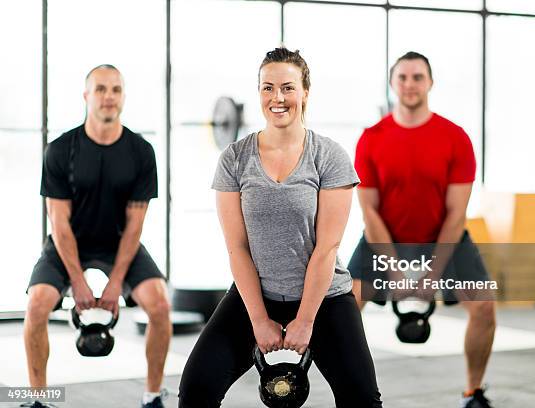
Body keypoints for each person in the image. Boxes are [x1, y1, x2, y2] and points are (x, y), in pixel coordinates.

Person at [178, 47, 383, 408]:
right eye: (267, 87)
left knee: (363, 399)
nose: (278, 98)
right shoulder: (235, 158)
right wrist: (259, 319)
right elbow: (236, 247)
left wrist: (305, 322)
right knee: (195, 391)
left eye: (288, 87)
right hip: (255, 295)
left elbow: (327, 248)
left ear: (305, 92)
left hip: (325, 299)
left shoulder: (328, 156)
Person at [349, 51, 497, 408]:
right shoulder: (371, 138)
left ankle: (472, 392)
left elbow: (456, 214)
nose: (410, 84)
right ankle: (355, 394)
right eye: (403, 77)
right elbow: (369, 212)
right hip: (383, 236)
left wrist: (432, 272)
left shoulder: (455, 137)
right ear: (392, 83)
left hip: (443, 236)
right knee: (344, 308)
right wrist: (394, 269)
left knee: (484, 307)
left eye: (417, 77)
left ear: (430, 82)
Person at [23, 65, 172, 408]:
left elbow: (135, 224)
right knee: (37, 303)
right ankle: (38, 400)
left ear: (123, 97)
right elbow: (59, 224)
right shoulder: (60, 150)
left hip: (121, 242)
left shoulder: (140, 151)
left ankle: (152, 396)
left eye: (116, 90)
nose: (109, 96)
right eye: (101, 89)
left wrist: (116, 282)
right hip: (68, 242)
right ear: (86, 96)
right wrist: (77, 281)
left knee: (161, 304)